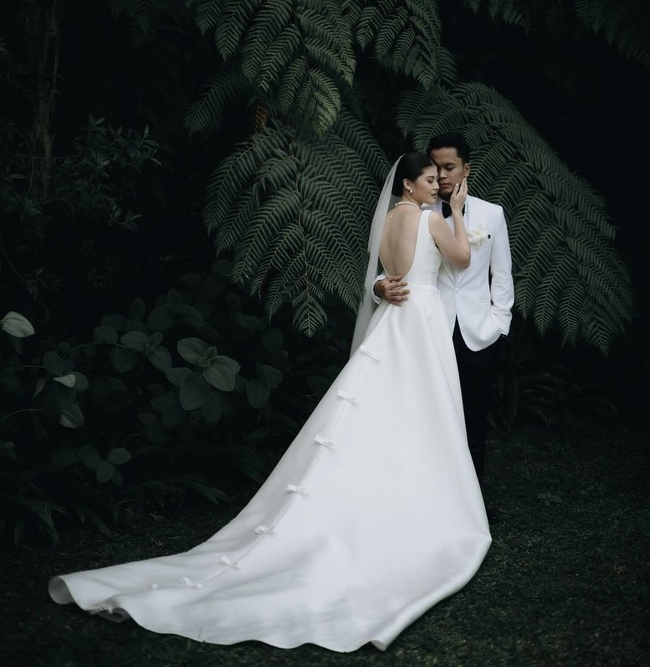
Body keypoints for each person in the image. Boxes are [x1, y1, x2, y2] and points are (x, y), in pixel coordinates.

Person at [47, 153, 491, 653]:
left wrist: (378, 285)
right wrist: (455, 210)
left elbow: (383, 270)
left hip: (395, 320)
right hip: (420, 319)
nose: (437, 186)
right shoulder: (431, 216)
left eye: (440, 180)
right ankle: (419, 500)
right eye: (429, 180)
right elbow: (461, 259)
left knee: (387, 407)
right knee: (420, 409)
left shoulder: (390, 217)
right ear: (409, 184)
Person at [374, 133, 514, 482]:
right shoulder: (416, 212)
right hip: (426, 328)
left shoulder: (492, 215)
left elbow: (502, 274)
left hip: (478, 331)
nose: (443, 176)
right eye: (436, 169)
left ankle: (473, 499)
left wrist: (499, 323)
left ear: (467, 168)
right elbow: (389, 268)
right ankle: (429, 488)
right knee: (426, 414)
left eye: (450, 167)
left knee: (473, 416)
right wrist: (379, 288)